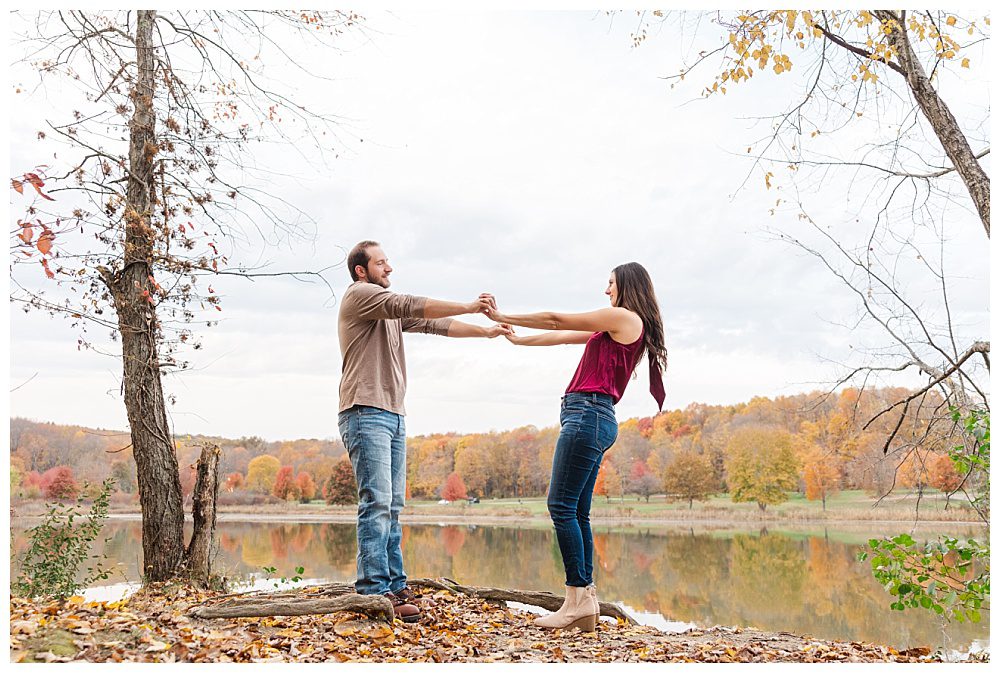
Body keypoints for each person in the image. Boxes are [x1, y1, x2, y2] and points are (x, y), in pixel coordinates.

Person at [486, 262, 667, 632]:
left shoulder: (623, 317)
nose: (606, 291)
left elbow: (556, 319)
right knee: (578, 511)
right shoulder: (616, 328)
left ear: (627, 287)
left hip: (588, 414)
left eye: (611, 284)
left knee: (560, 506)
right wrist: (517, 339)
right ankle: (583, 601)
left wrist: (502, 313)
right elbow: (560, 335)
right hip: (592, 417)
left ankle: (577, 598)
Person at [338, 240, 512, 623]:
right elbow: (409, 303)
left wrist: (484, 332)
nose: (390, 268)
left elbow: (435, 323)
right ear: (361, 271)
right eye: (382, 263)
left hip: (394, 415)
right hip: (365, 411)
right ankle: (373, 591)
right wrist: (469, 304)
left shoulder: (387, 310)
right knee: (377, 503)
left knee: (393, 507)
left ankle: (395, 585)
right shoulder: (360, 297)